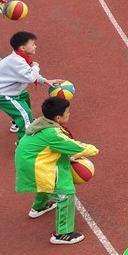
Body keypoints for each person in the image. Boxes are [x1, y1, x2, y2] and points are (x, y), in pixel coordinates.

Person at [14, 97, 98, 245]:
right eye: (68, 111)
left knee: (47, 183)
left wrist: (68, 157)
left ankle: (39, 207)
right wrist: (93, 149)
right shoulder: (52, 134)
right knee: (65, 192)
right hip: (35, 166)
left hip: (28, 161)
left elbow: (49, 148)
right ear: (58, 117)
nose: (69, 113)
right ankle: (62, 234)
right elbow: (76, 147)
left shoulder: (42, 122)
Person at [0, 31, 64, 141]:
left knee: (24, 96)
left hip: (6, 88)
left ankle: (18, 123)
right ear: (23, 48)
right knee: (24, 113)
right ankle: (25, 143)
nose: (35, 46)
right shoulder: (17, 61)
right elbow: (31, 76)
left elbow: (28, 73)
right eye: (32, 44)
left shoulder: (20, 58)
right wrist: (36, 66)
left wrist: (45, 80)